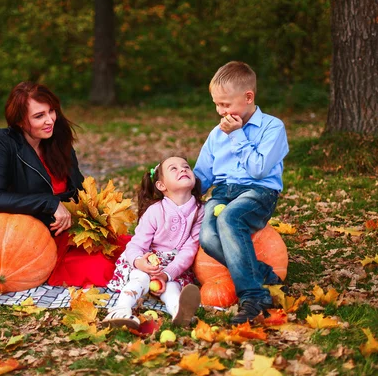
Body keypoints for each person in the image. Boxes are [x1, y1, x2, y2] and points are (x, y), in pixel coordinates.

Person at [0, 81, 128, 288]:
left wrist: (98, 217)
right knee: (102, 268)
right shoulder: (3, 142)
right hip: (33, 240)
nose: (50, 120)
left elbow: (78, 191)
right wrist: (49, 203)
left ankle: (161, 282)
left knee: (130, 247)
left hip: (71, 232)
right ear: (20, 121)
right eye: (39, 116)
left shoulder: (57, 141)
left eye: (51, 111)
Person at [194, 61, 289, 325]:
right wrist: (177, 188)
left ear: (248, 98)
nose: (220, 111)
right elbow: (203, 175)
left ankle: (253, 297)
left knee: (230, 219)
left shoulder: (272, 128)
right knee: (208, 236)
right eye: (216, 104)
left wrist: (236, 135)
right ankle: (263, 274)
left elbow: (259, 170)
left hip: (258, 192)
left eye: (225, 104)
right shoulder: (216, 134)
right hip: (223, 192)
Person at [102, 156, 204, 329]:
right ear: (161, 186)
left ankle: (179, 312)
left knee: (171, 287)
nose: (182, 169)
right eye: (174, 168)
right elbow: (136, 244)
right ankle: (120, 309)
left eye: (186, 166)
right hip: (147, 260)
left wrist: (166, 274)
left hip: (174, 266)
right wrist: (139, 262)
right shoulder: (155, 211)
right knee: (139, 278)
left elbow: (189, 249)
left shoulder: (199, 212)